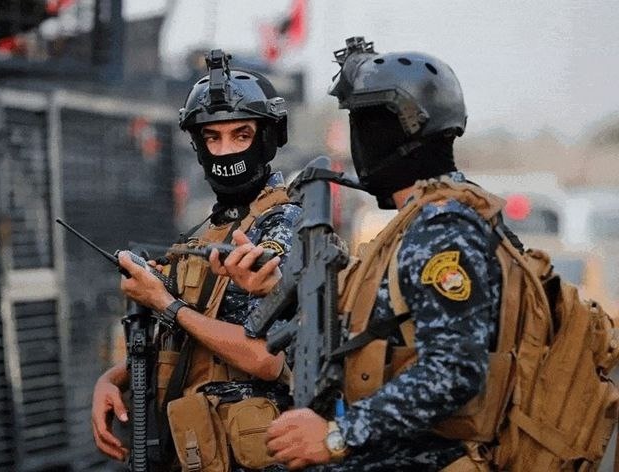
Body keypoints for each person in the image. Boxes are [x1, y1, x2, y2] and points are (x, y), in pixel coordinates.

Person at [264, 37, 505, 470]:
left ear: (395, 130)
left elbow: (454, 370)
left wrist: (339, 435)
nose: (359, 143)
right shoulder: (424, 220)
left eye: (362, 124)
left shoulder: (442, 230)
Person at [91, 49, 301, 472]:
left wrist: (164, 303)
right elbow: (194, 344)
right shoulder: (208, 233)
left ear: (267, 138)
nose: (225, 152)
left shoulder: (287, 225)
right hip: (200, 447)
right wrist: (111, 379)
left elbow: (265, 359)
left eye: (241, 135)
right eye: (212, 138)